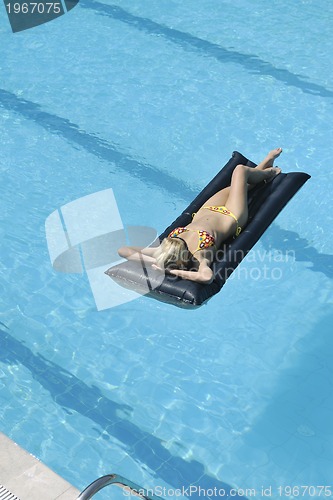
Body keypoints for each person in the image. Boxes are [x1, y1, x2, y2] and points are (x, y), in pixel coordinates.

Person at [118, 148, 282, 284]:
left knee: (243, 185)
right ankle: (268, 174)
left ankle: (265, 166)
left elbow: (123, 250)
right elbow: (207, 277)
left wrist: (154, 261)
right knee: (240, 171)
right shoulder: (198, 256)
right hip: (232, 215)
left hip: (210, 208)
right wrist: (171, 270)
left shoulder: (161, 251)